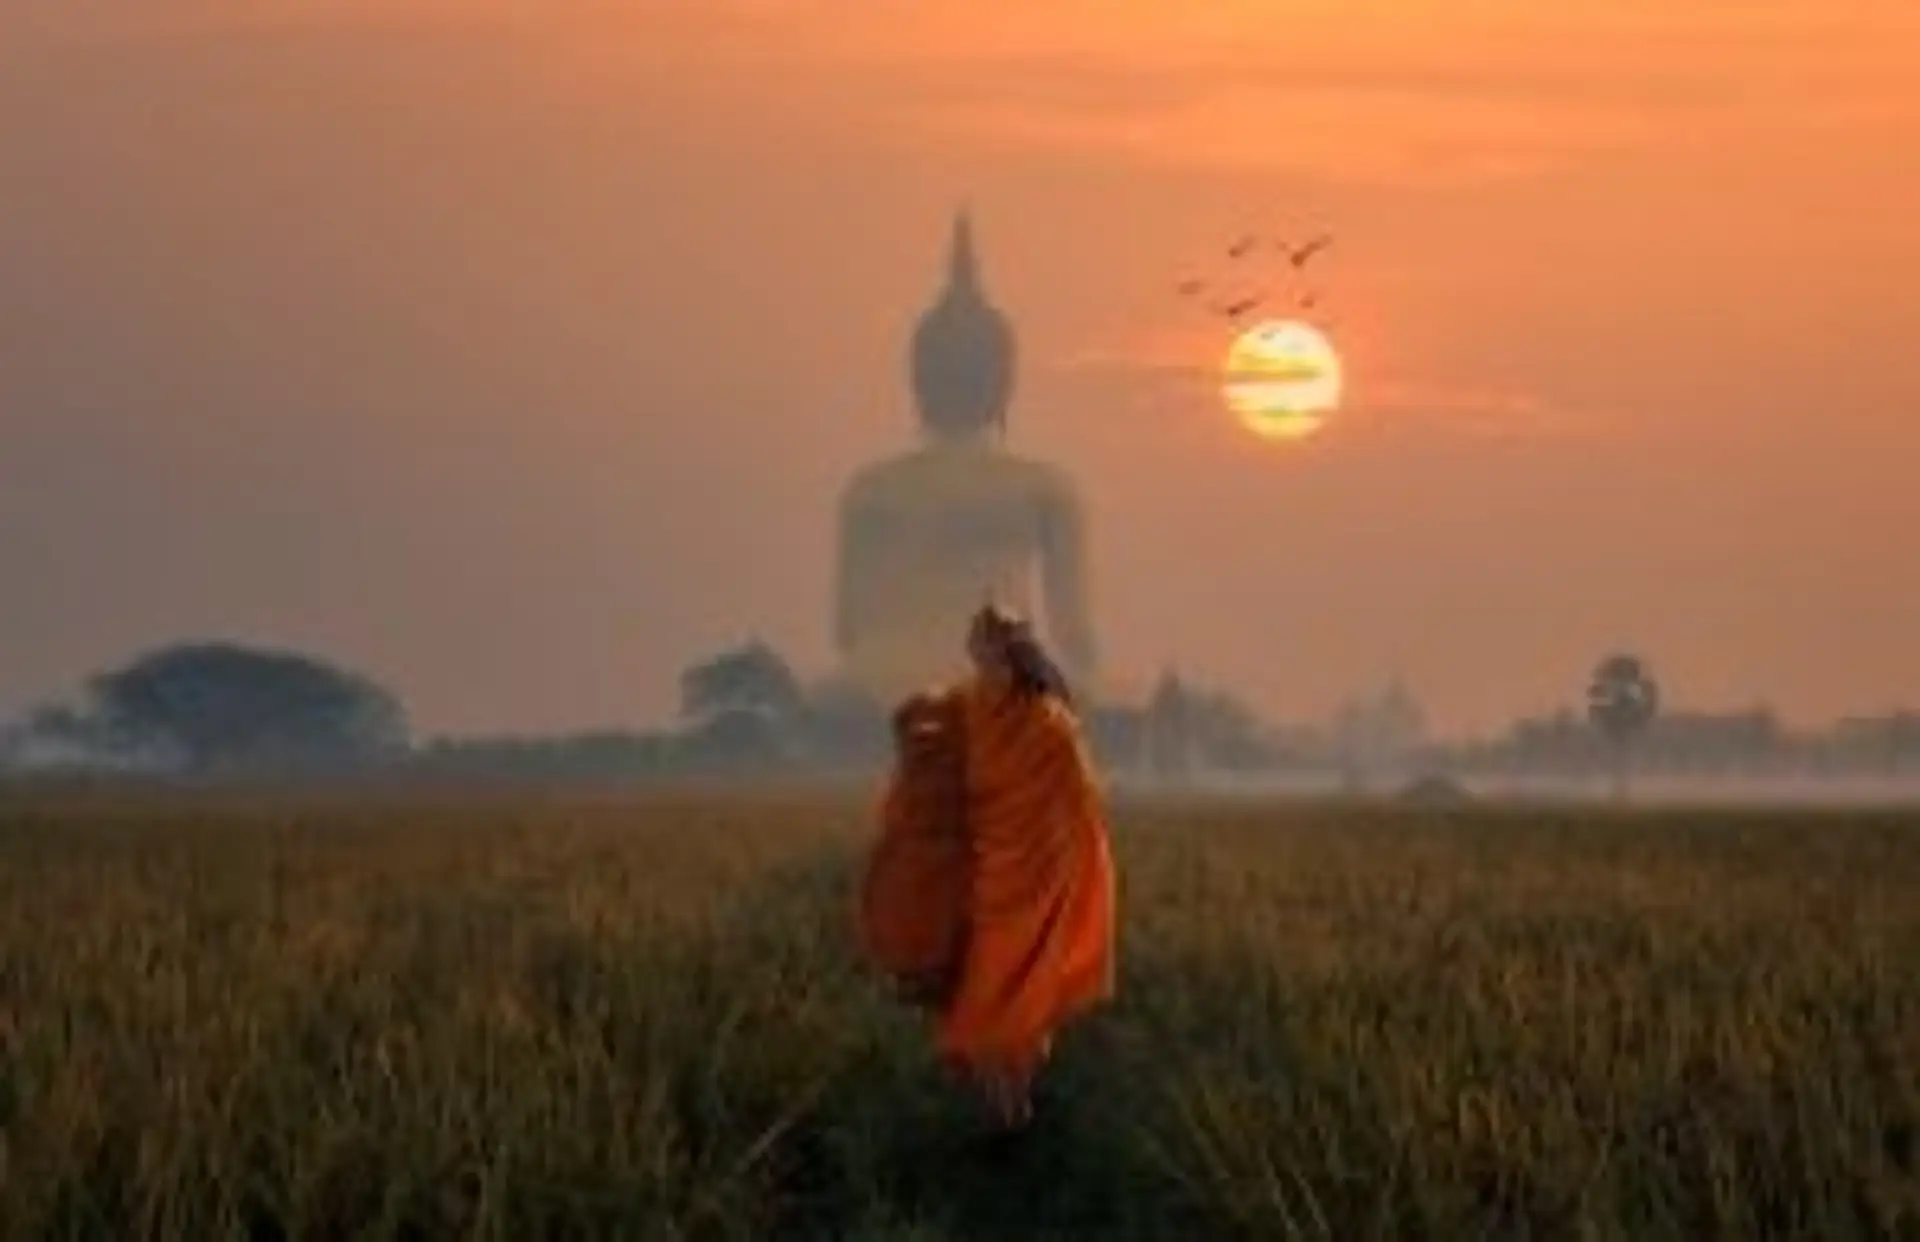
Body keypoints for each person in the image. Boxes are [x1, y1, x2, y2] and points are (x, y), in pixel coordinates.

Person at [858, 604, 1117, 1130]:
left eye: (991, 644)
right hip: (983, 889)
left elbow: (1075, 813)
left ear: (1013, 652)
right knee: (980, 1009)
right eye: (976, 643)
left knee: (1012, 1015)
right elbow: (924, 746)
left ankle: (1012, 1117)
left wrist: (1060, 882)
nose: (980, 653)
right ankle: (1006, 1117)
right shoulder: (962, 708)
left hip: (1035, 892)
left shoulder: (1050, 726)